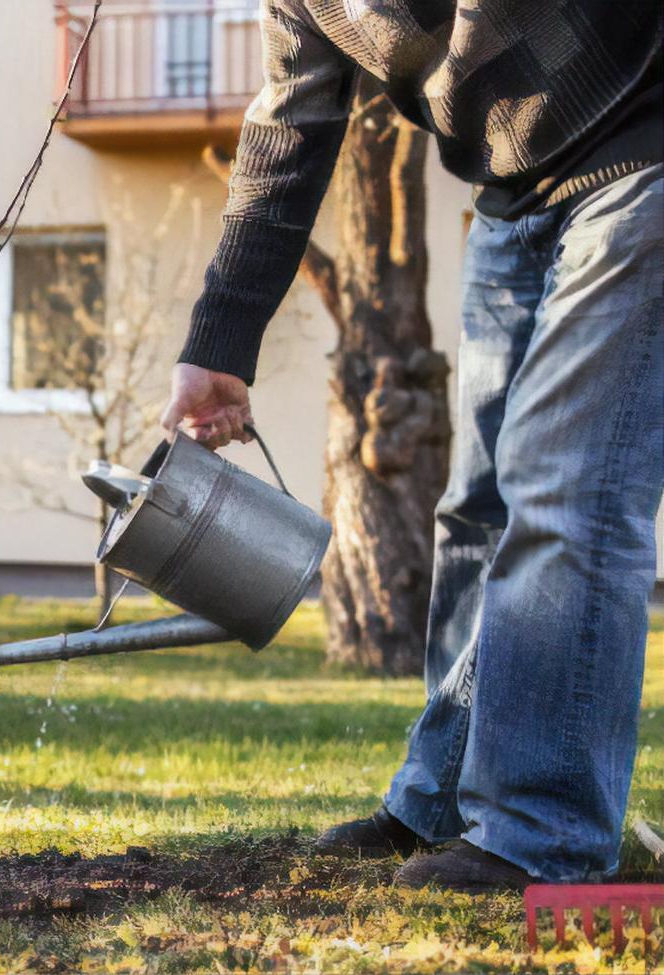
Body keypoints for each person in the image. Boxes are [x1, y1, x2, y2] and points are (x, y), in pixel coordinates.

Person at [160, 1, 663, 892]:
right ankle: (448, 801)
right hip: (513, 196)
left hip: (642, 146)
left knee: (566, 487)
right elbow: (291, 120)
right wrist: (217, 347)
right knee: (476, 509)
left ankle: (541, 833)